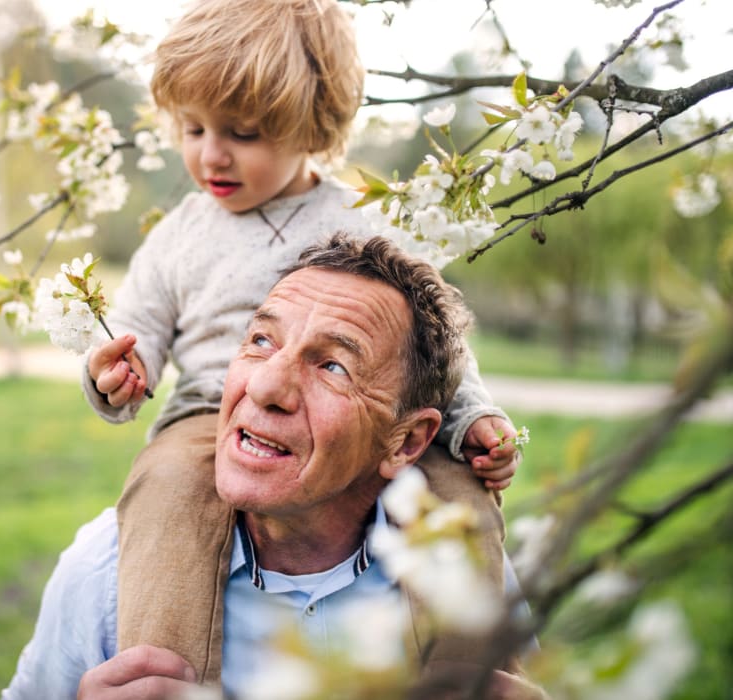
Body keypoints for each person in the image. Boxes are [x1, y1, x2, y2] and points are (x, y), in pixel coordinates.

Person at [82, 0, 520, 683]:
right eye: (192, 128)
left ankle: (474, 679)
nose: (211, 154)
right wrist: (114, 374)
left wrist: (473, 419)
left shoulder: (362, 218)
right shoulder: (179, 236)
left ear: (312, 126)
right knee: (165, 490)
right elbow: (131, 335)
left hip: (362, 417)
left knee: (461, 496)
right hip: (209, 416)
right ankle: (164, 679)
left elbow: (435, 342)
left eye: (244, 133)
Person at [4, 234, 544, 700]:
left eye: (333, 365)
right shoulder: (108, 568)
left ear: (407, 442)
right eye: (261, 340)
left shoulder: (463, 578)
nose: (263, 388)